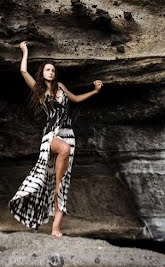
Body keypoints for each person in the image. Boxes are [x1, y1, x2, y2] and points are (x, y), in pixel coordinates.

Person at [8, 40, 103, 237]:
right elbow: (24, 72)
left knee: (63, 185)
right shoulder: (41, 91)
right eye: (47, 69)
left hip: (67, 134)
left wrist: (95, 91)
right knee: (64, 153)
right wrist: (24, 51)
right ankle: (56, 187)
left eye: (53, 70)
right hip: (50, 136)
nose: (51, 72)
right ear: (42, 73)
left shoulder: (60, 86)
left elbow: (75, 99)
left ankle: (56, 228)